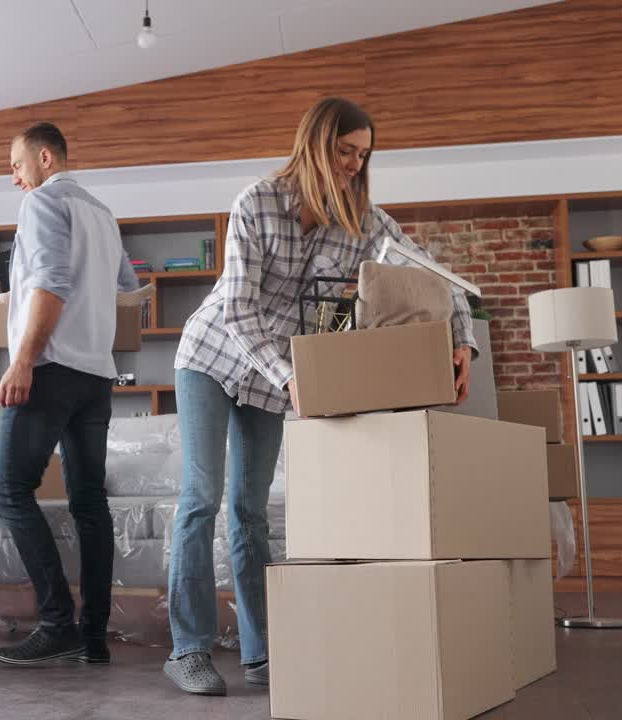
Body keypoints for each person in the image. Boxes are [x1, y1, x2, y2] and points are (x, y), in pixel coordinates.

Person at [163, 97, 477, 695]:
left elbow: (430, 273)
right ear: (313, 144)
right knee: (201, 497)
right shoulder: (256, 202)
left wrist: (461, 340)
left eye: (363, 154)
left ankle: (260, 651)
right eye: (344, 151)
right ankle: (189, 650)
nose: (355, 164)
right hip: (211, 357)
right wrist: (289, 375)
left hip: (276, 377)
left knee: (250, 510)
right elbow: (238, 310)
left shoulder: (365, 221)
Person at [0, 122, 140, 666]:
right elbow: (126, 288)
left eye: (16, 164)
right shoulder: (101, 213)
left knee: (8, 491)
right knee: (89, 503)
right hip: (96, 375)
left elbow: (53, 281)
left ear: (45, 157)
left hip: (50, 368)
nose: (14, 177)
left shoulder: (42, 204)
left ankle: (57, 623)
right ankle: (94, 635)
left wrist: (23, 359)